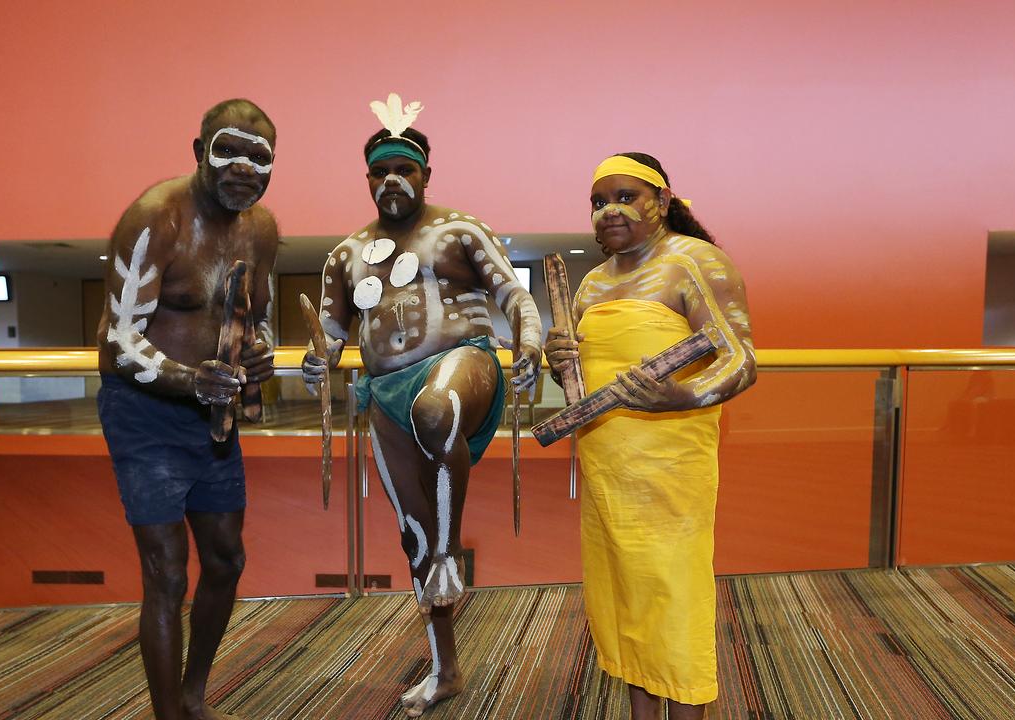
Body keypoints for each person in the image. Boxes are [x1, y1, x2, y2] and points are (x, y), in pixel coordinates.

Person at [303, 105, 542, 717]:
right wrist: (319, 355)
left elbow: (512, 292)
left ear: (426, 174)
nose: (391, 181)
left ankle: (448, 551)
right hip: (383, 390)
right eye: (379, 172)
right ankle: (445, 668)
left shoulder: (460, 231)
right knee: (410, 534)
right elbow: (331, 328)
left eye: (403, 170)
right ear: (367, 179)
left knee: (437, 410)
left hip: (462, 363)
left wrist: (530, 339)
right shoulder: (346, 254)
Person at [544, 153, 756, 720]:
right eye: (597, 202)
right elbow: (585, 379)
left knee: (671, 593)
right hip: (605, 465)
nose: (608, 211)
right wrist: (557, 360)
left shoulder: (694, 262)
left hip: (670, 466)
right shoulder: (588, 285)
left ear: (662, 203)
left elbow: (741, 359)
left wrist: (681, 396)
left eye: (624, 197)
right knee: (622, 597)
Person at [96, 98, 279, 720]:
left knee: (226, 559)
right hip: (144, 415)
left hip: (215, 420)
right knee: (168, 574)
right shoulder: (156, 217)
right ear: (198, 148)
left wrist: (259, 354)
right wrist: (185, 377)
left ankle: (194, 694)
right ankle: (168, 712)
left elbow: (258, 319)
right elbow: (115, 341)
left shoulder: (262, 229)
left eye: (260, 158)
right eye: (229, 150)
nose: (244, 168)